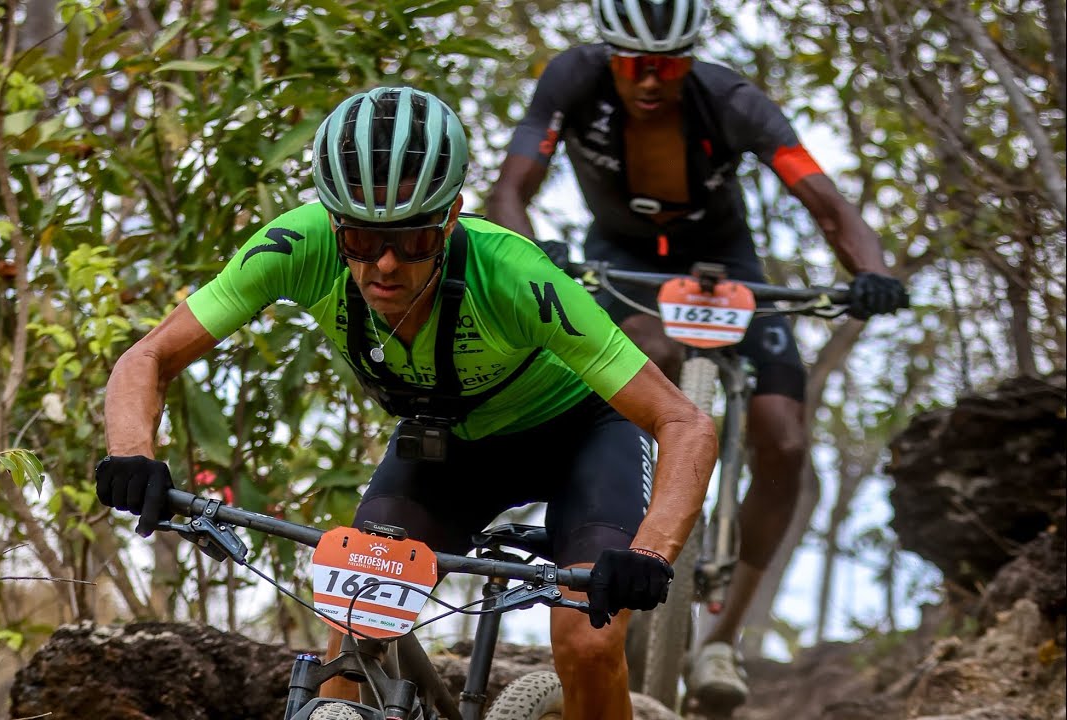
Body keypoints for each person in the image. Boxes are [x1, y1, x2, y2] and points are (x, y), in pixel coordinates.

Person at [96, 85, 717, 720]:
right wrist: (132, 454)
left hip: (582, 437)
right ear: (333, 223)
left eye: (414, 239)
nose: (385, 265)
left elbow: (685, 421)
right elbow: (149, 356)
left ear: (450, 219)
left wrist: (649, 554)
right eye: (361, 241)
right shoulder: (296, 246)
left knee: (587, 640)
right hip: (447, 447)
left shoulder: (515, 275)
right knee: (354, 625)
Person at [487, 0, 909, 712]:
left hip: (726, 263)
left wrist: (872, 271)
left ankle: (722, 637)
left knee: (784, 438)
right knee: (631, 364)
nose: (651, 81)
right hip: (622, 259)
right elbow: (510, 190)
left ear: (691, 59)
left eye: (669, 65)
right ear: (609, 56)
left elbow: (827, 203)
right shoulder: (573, 80)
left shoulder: (732, 100)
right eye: (635, 65)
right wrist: (536, 251)